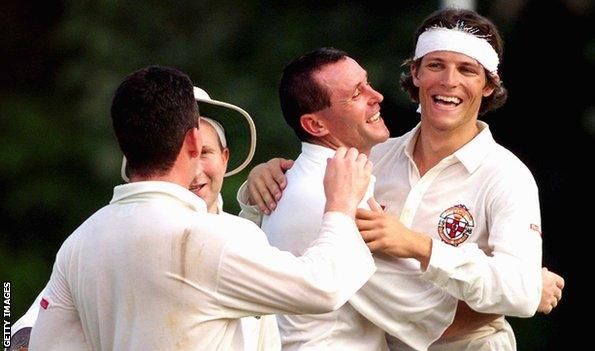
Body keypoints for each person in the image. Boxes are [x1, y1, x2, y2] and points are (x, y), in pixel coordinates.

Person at [240, 8, 564, 351]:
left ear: (488, 86)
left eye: (467, 70)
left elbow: (516, 285)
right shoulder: (369, 161)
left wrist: (420, 247)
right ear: (416, 73)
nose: (449, 81)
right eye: (436, 65)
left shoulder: (507, 176)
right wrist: (262, 181)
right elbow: (311, 186)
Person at [28, 66, 377, 351]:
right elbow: (323, 287)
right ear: (193, 140)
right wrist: (341, 206)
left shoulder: (79, 242)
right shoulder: (220, 237)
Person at [9, 89, 280, 351]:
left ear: (225, 158)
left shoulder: (244, 234)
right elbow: (26, 333)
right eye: (182, 154)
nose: (195, 169)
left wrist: (262, 187)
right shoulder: (110, 242)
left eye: (204, 152)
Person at [238, 47, 456, 351]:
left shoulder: (304, 177)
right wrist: (522, 290)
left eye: (366, 82)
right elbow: (427, 314)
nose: (376, 95)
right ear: (316, 126)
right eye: (356, 94)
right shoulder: (337, 198)